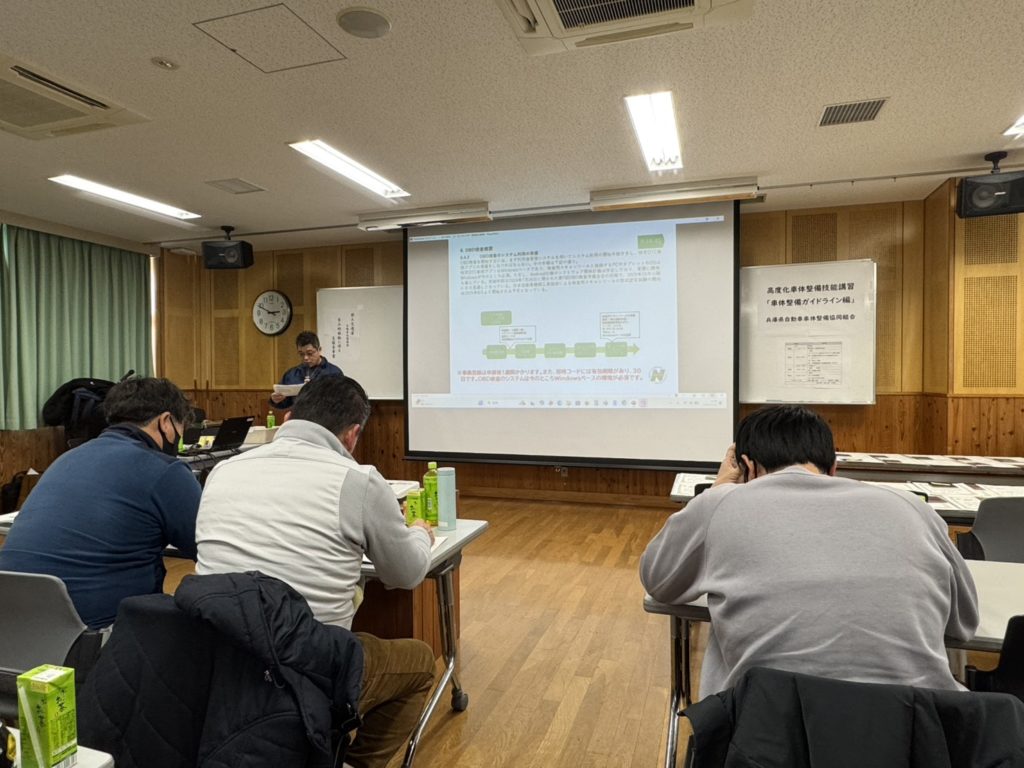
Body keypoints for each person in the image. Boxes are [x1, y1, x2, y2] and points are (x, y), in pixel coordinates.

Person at [640, 404, 979, 697]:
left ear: (746, 467)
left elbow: (659, 581)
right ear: (833, 468)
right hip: (916, 729)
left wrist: (718, 488)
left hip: (766, 729)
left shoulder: (720, 504)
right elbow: (963, 622)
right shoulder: (912, 507)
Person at [195, 375, 436, 768]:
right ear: (352, 435)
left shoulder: (222, 471)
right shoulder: (359, 481)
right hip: (309, 666)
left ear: (289, 417)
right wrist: (420, 533)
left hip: (218, 657)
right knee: (421, 663)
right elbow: (405, 574)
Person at [0, 377, 201, 629]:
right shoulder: (165, 470)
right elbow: (207, 546)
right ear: (166, 422)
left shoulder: (66, 458)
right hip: (98, 630)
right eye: (181, 431)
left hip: (14, 624)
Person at [270, 330, 343, 410]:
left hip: (324, 416)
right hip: (299, 416)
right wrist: (275, 400)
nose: (305, 358)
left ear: (319, 350)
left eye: (310, 353)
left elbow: (342, 401)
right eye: (301, 354)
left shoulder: (334, 373)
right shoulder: (292, 374)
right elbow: (286, 403)